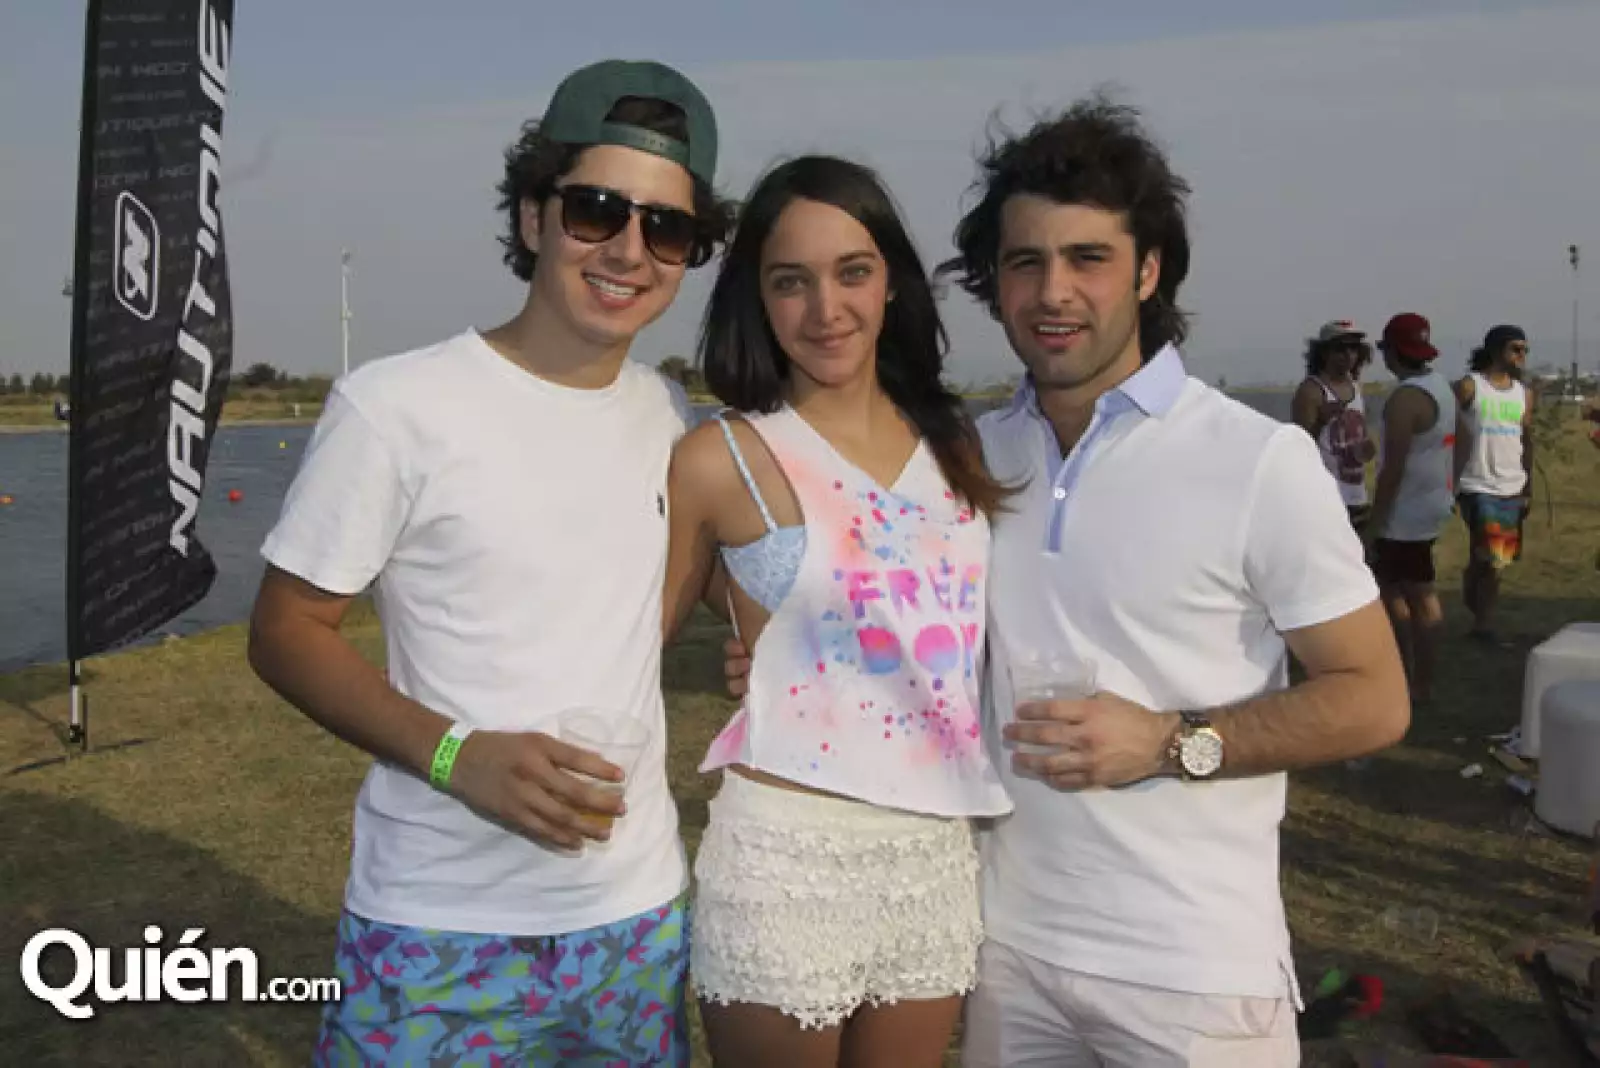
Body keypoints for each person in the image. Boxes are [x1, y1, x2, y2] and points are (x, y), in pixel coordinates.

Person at [728, 94, 1411, 1066]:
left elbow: (1375, 700)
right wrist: (789, 661)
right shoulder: (964, 460)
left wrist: (1174, 743)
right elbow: (917, 644)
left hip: (1194, 975)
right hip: (1007, 957)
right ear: (991, 283)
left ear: (1147, 269)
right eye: (1023, 263)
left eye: (1087, 258)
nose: (1053, 292)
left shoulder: (1256, 459)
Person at [246, 59, 733, 1067]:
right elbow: (286, 632)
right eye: (597, 210)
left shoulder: (666, 414)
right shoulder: (395, 407)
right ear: (531, 217)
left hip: (636, 917)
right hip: (437, 925)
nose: (630, 251)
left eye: (667, 229)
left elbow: (654, 602)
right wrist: (456, 755)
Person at [661, 154, 1014, 1068]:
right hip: (785, 860)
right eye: (792, 282)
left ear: (890, 280)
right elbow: (633, 642)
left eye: (852, 272)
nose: (826, 310)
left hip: (933, 854)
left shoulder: (958, 443)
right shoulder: (720, 456)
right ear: (758, 299)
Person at [1366, 312, 1459, 706]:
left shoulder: (1405, 399)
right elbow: (1463, 437)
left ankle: (1417, 681)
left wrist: (1376, 520)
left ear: (1393, 352)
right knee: (1398, 591)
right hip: (1431, 503)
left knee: (1414, 594)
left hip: (1404, 516)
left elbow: (1392, 466)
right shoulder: (1441, 387)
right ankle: (1410, 673)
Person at [1453, 324, 1536, 646]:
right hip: (1477, 484)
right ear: (1496, 350)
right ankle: (1485, 626)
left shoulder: (1524, 394)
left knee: (1495, 560)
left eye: (1525, 350)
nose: (1522, 356)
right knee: (1492, 555)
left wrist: (1527, 485)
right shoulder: (1470, 387)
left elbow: (1526, 439)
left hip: (1512, 485)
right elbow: (1449, 429)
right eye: (1516, 349)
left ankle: (1478, 608)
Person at [1291, 319, 1377, 532]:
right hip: (1326, 499)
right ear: (1324, 353)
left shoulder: (1356, 388)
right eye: (1341, 348)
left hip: (1357, 495)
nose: (1349, 355)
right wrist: (1320, 421)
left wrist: (1367, 449)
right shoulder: (1311, 391)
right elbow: (1298, 448)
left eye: (1354, 348)